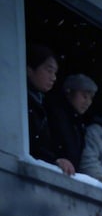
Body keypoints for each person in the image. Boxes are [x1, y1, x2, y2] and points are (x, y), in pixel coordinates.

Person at [26, 44, 73, 175]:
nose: (53, 77)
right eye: (49, 70)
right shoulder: (21, 101)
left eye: (55, 73)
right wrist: (53, 159)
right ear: (30, 70)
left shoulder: (46, 105)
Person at [45, 72, 97, 171]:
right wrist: (54, 159)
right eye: (84, 96)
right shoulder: (54, 113)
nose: (88, 103)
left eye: (91, 98)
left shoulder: (79, 123)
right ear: (69, 92)